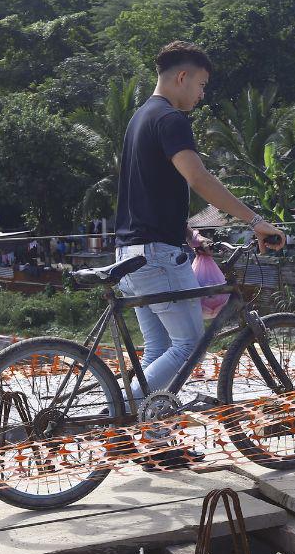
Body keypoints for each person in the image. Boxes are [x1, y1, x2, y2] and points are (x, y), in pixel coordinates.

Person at [114, 41, 284, 466]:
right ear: (182, 77)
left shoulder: (140, 118)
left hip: (132, 251)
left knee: (157, 351)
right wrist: (254, 221)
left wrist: (189, 233)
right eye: (202, 85)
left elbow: (147, 193)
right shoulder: (171, 119)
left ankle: (156, 444)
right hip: (156, 255)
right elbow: (199, 178)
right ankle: (116, 418)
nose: (202, 95)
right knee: (188, 344)